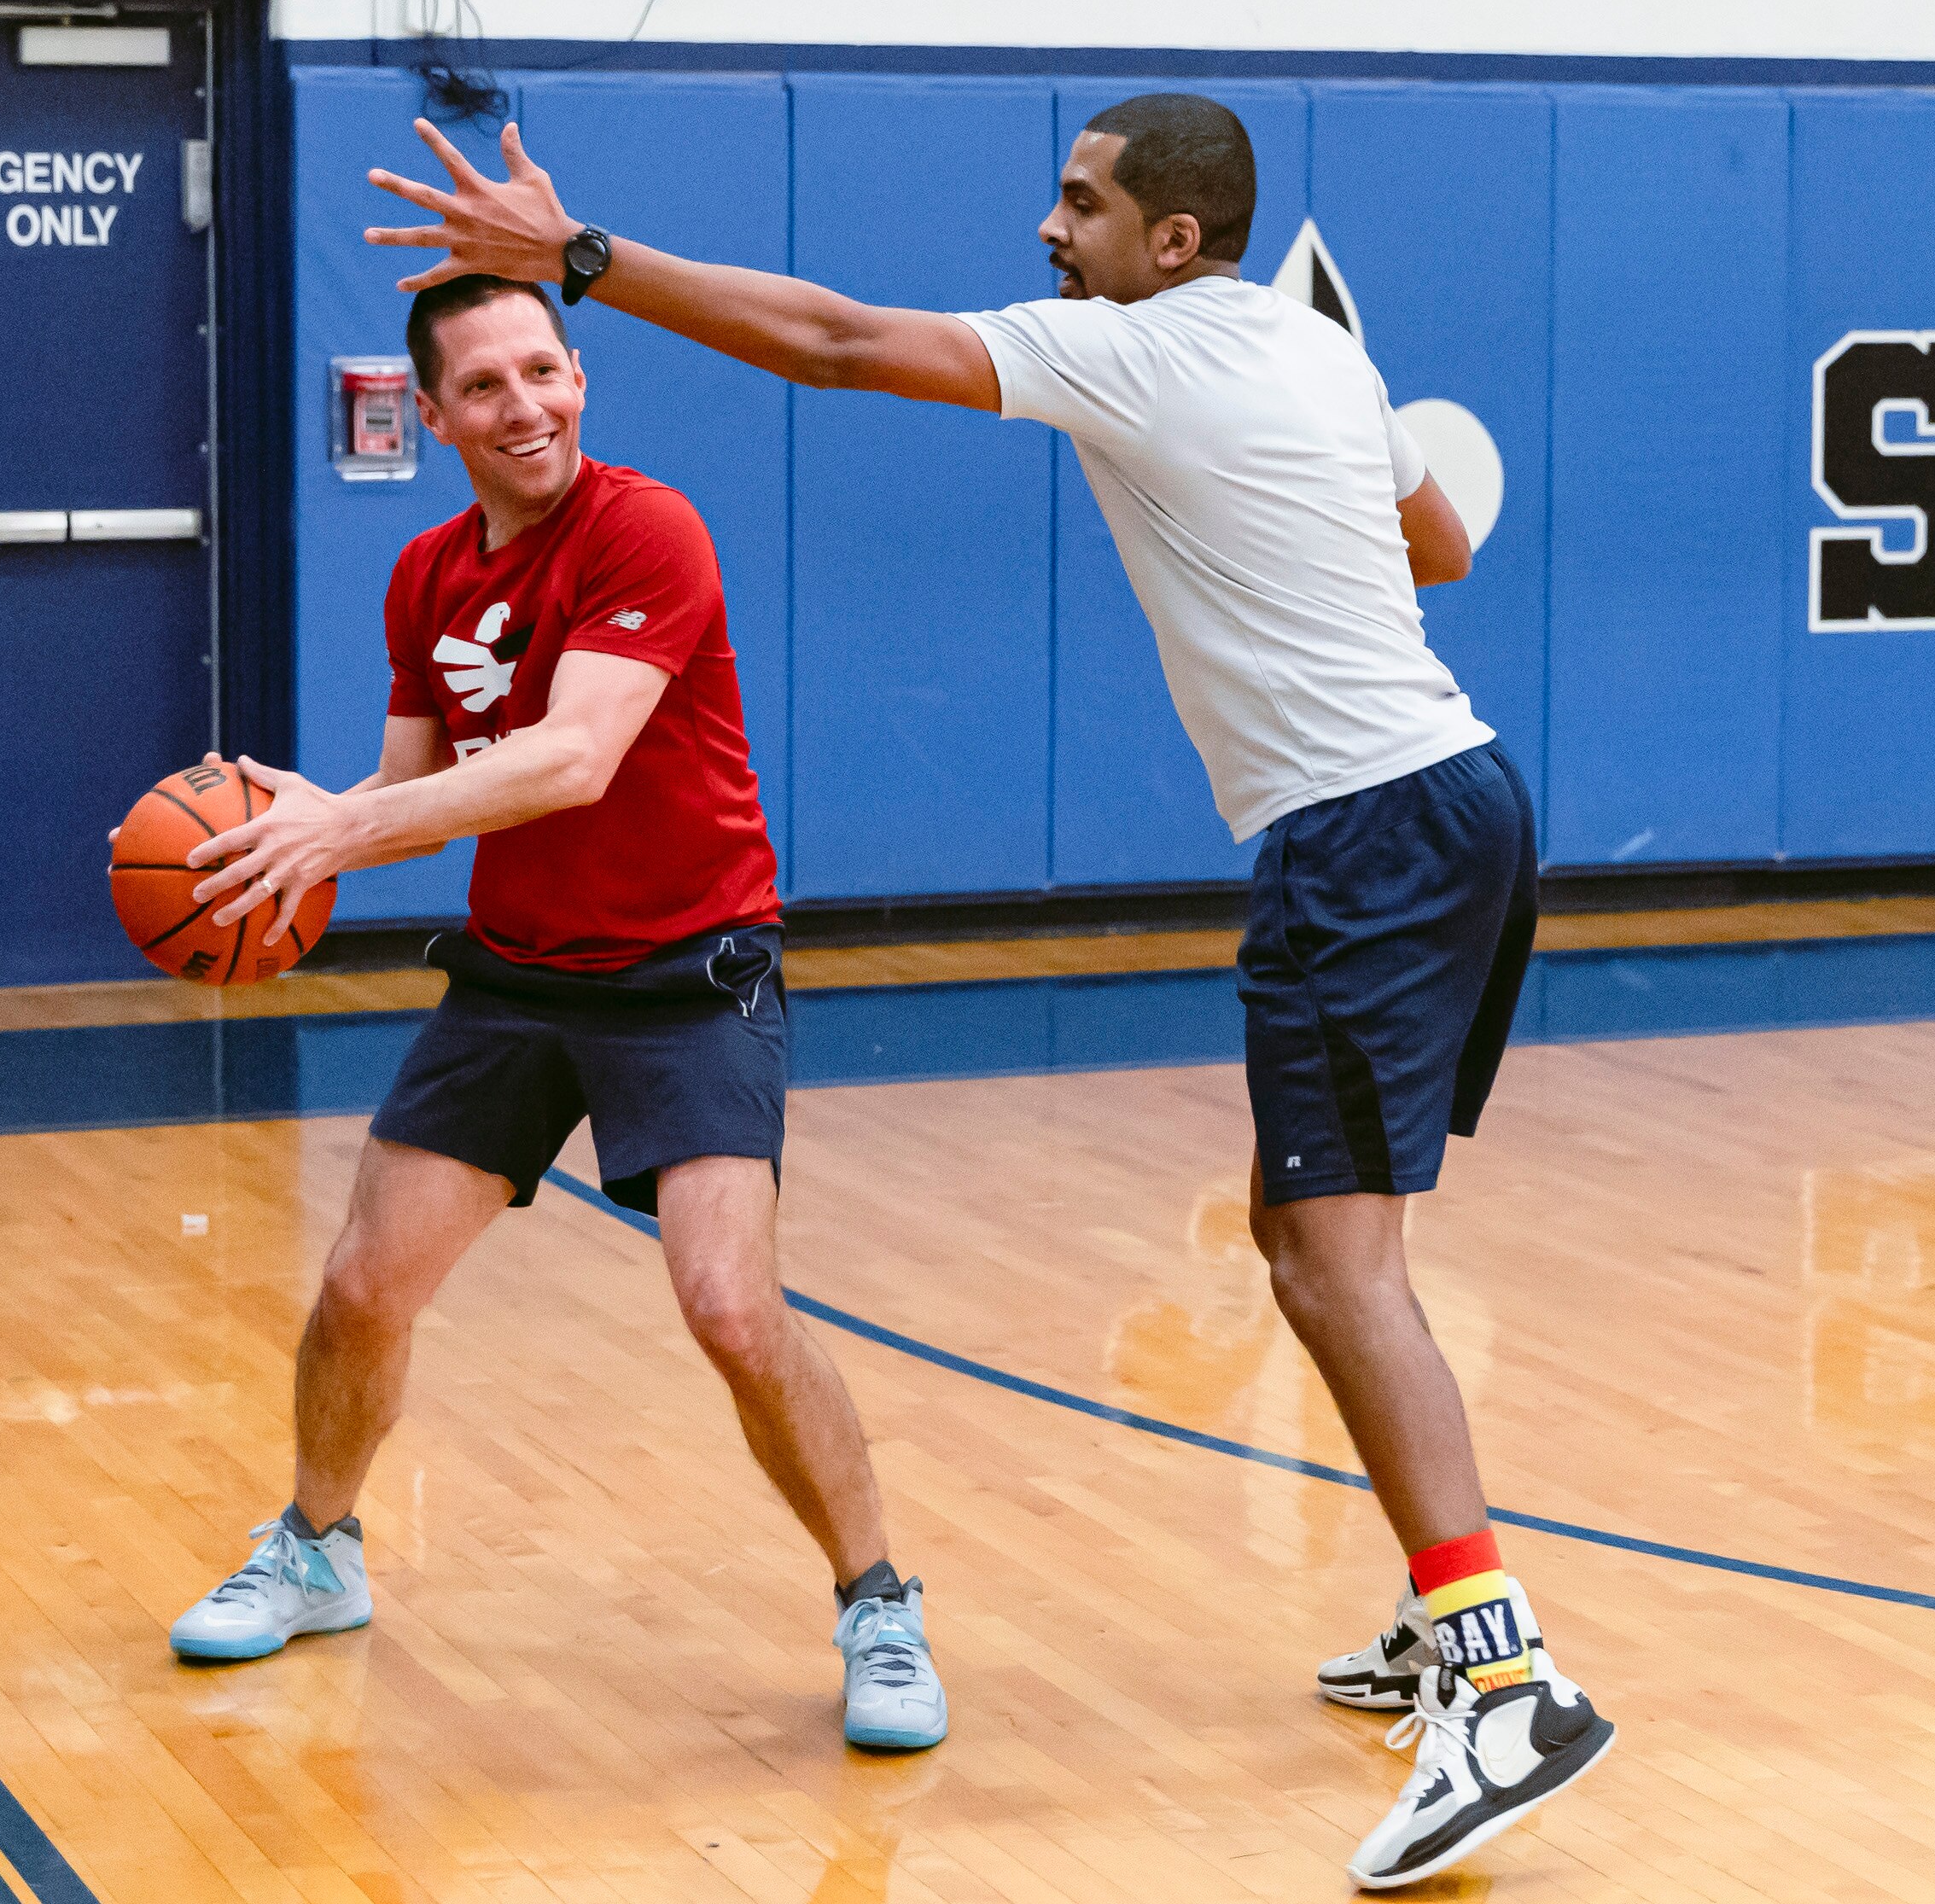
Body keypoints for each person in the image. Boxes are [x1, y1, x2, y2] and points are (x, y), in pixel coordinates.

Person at [362, 96, 1608, 1888]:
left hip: (1361, 838)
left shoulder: (1139, 352)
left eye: (1080, 203)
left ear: (1170, 242)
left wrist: (581, 261)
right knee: (1311, 1240)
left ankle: (1505, 1684)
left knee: (1339, 1267)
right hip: (1463, 801)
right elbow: (1439, 550)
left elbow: (843, 343)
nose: (1049, 229)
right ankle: (1442, 1620)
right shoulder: (1310, 345)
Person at [160, 271, 947, 1753]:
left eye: (545, 371)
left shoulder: (648, 529)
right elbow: (411, 782)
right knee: (361, 1288)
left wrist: (338, 833)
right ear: (437, 413)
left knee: (729, 1306)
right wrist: (291, 834)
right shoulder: (428, 574)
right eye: (486, 387)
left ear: (580, 375)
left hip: (686, 971)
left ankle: (879, 1603)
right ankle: (319, 1549)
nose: (524, 407)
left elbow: (572, 758)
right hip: (518, 976)